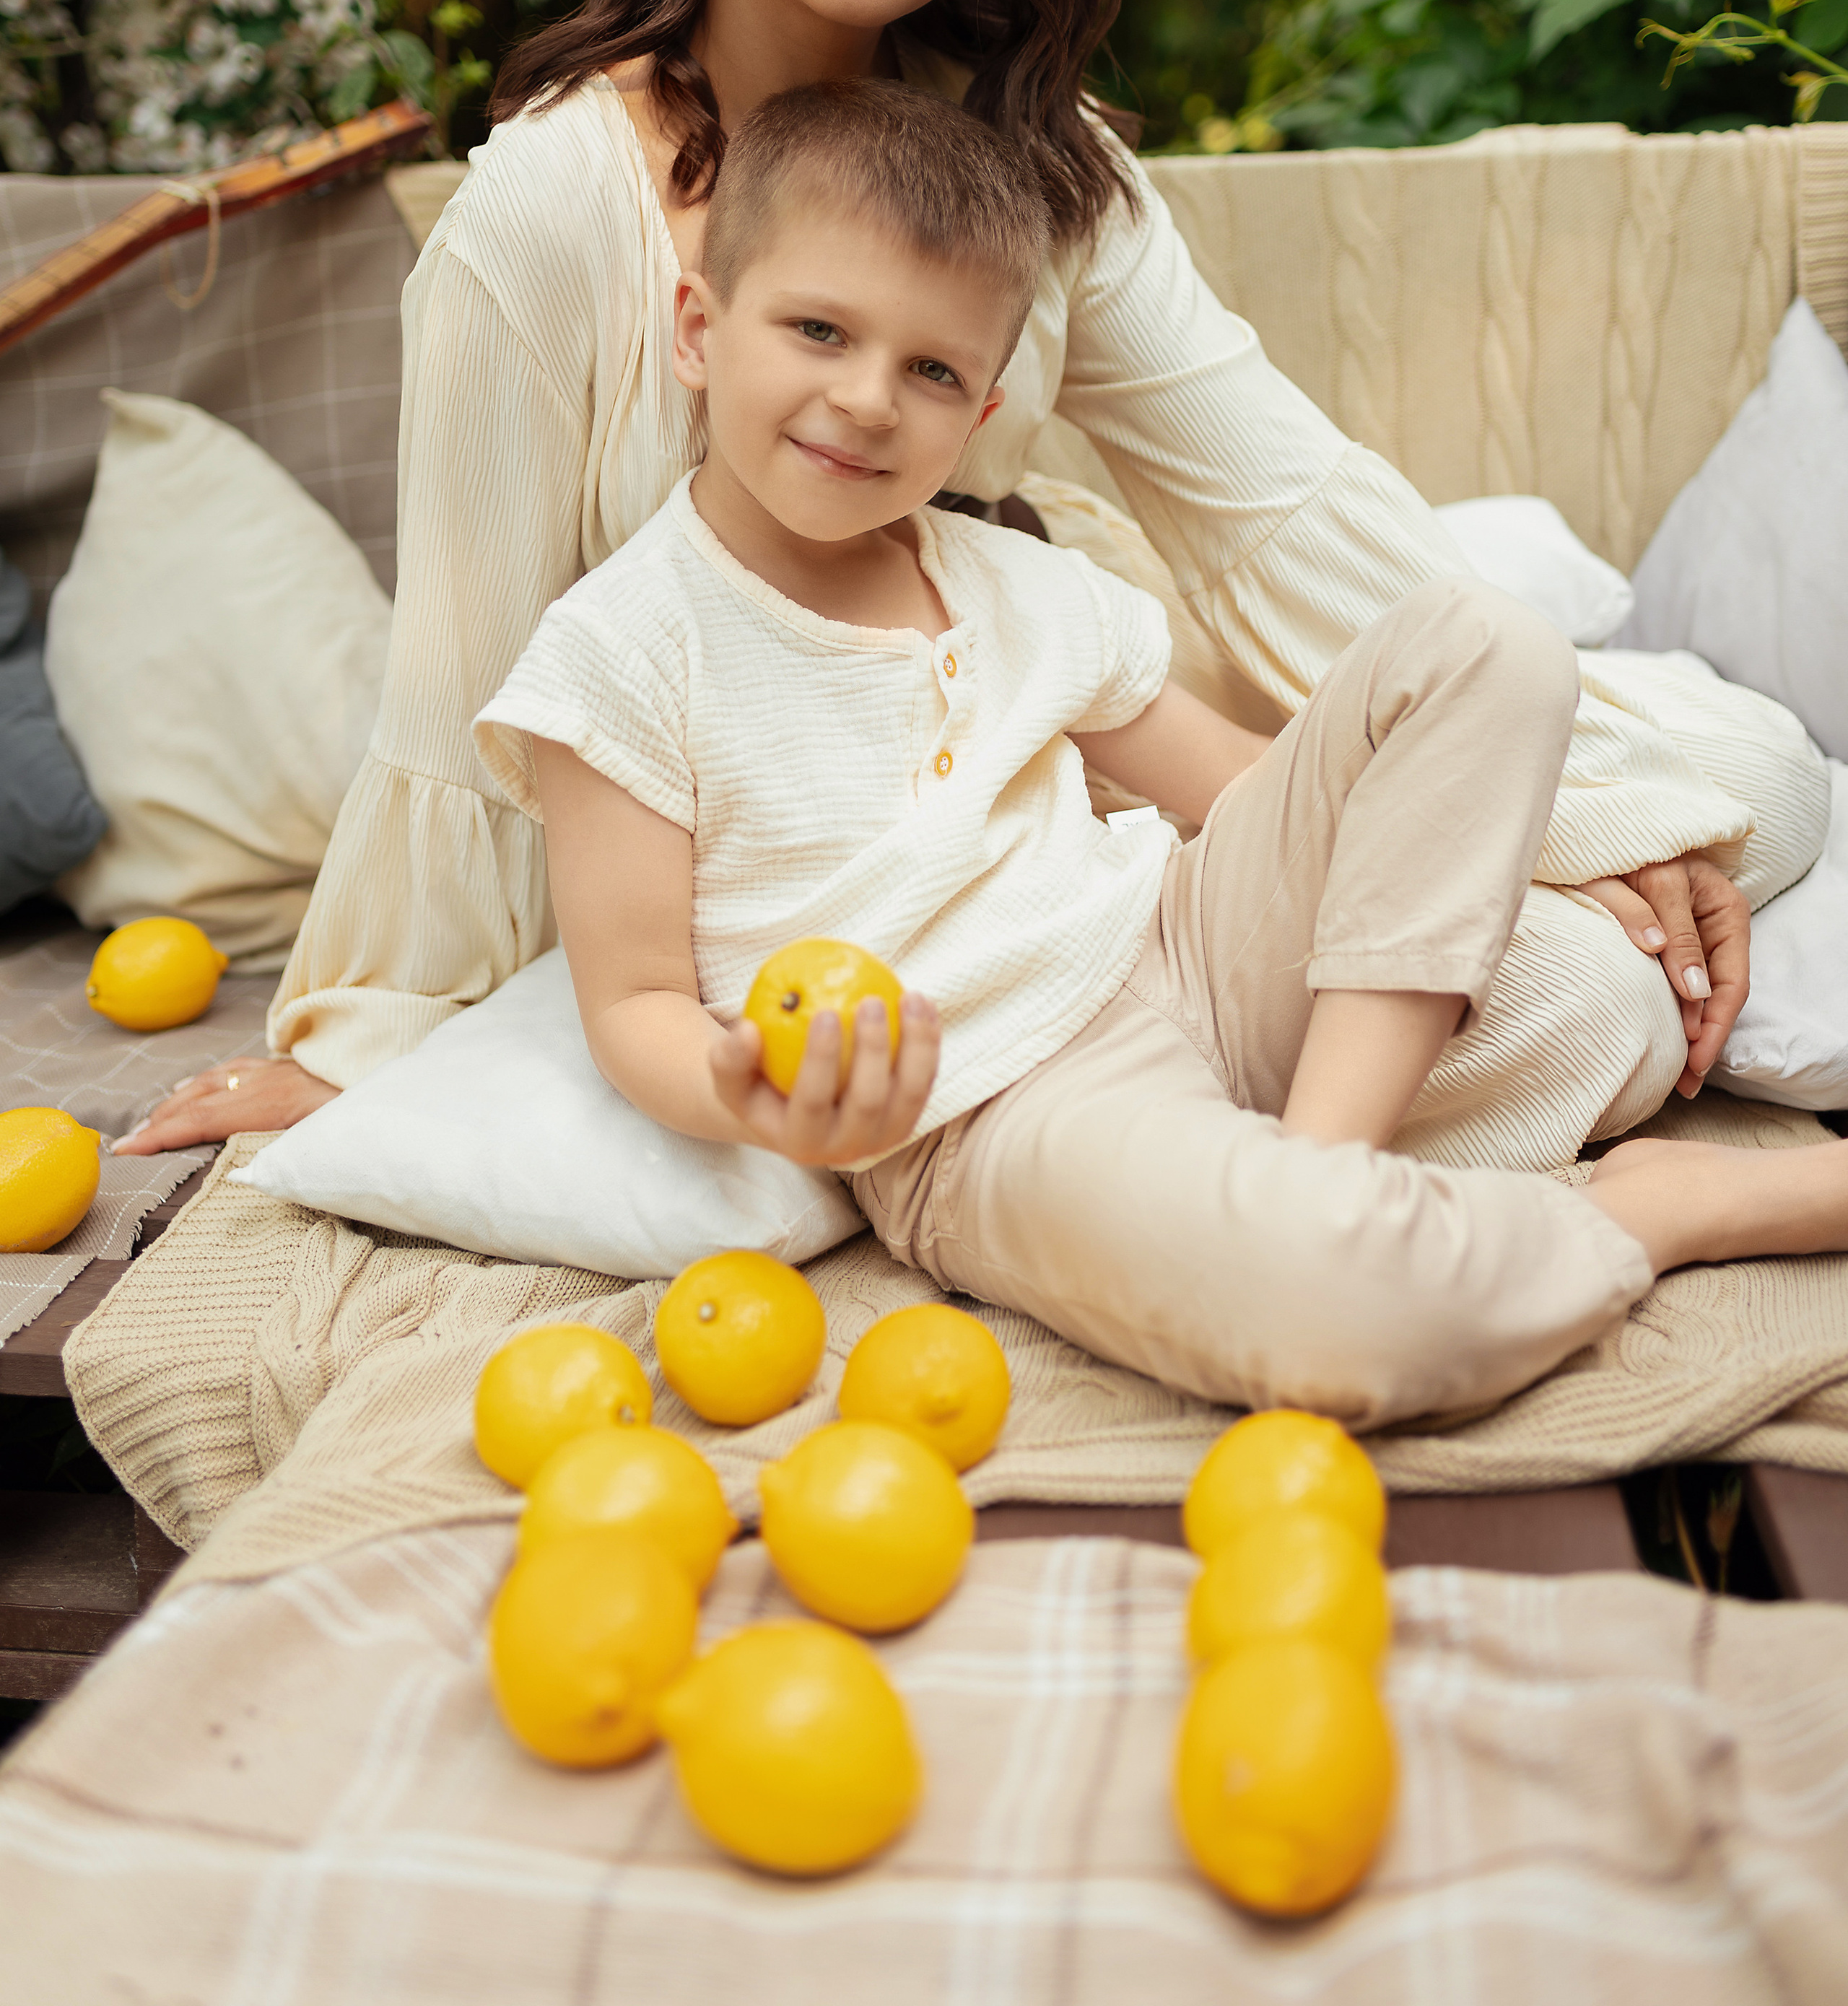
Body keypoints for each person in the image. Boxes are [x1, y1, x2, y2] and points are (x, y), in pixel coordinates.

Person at [120, 0, 1823, 1166]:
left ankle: (1315, 1090)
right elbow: (463, 695)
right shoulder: (550, 214)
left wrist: (1596, 826)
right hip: (802, 894)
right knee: (1586, 920)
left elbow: (1279, 510)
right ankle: (1263, 1135)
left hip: (1072, 765)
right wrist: (383, 1052)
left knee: (1738, 790)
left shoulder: (1037, 161)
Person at [473, 81, 1848, 1426]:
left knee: (1498, 668)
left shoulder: (1011, 582)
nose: (871, 399)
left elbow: (1256, 788)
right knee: (1347, 1322)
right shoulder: (623, 652)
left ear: (983, 411)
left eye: (932, 369)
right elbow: (637, 1002)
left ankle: (1319, 1171)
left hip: (1187, 941)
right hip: (999, 1100)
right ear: (701, 331)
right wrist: (752, 1093)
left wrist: (1491, 848)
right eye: (819, 330)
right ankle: (1649, 1215)